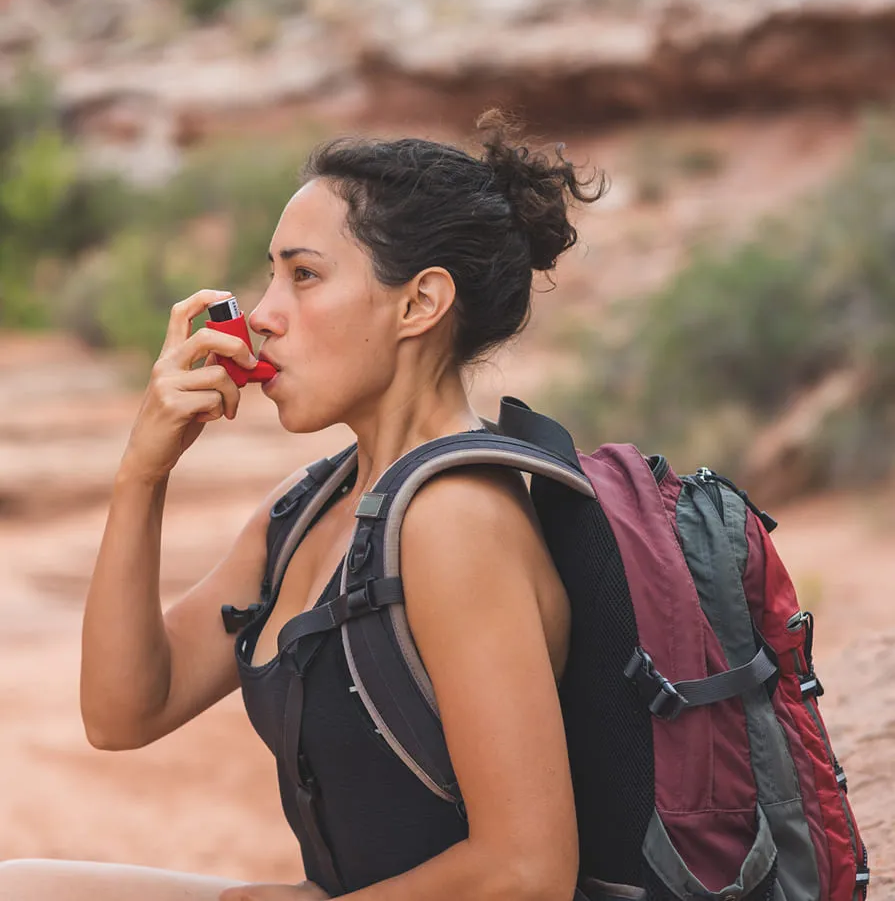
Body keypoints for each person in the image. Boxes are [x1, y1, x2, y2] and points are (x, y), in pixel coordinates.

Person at [0, 112, 606, 901]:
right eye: (270, 275)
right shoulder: (307, 507)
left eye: (304, 275)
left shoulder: (456, 519)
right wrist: (142, 474)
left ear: (419, 302)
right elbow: (123, 711)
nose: (259, 314)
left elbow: (525, 872)